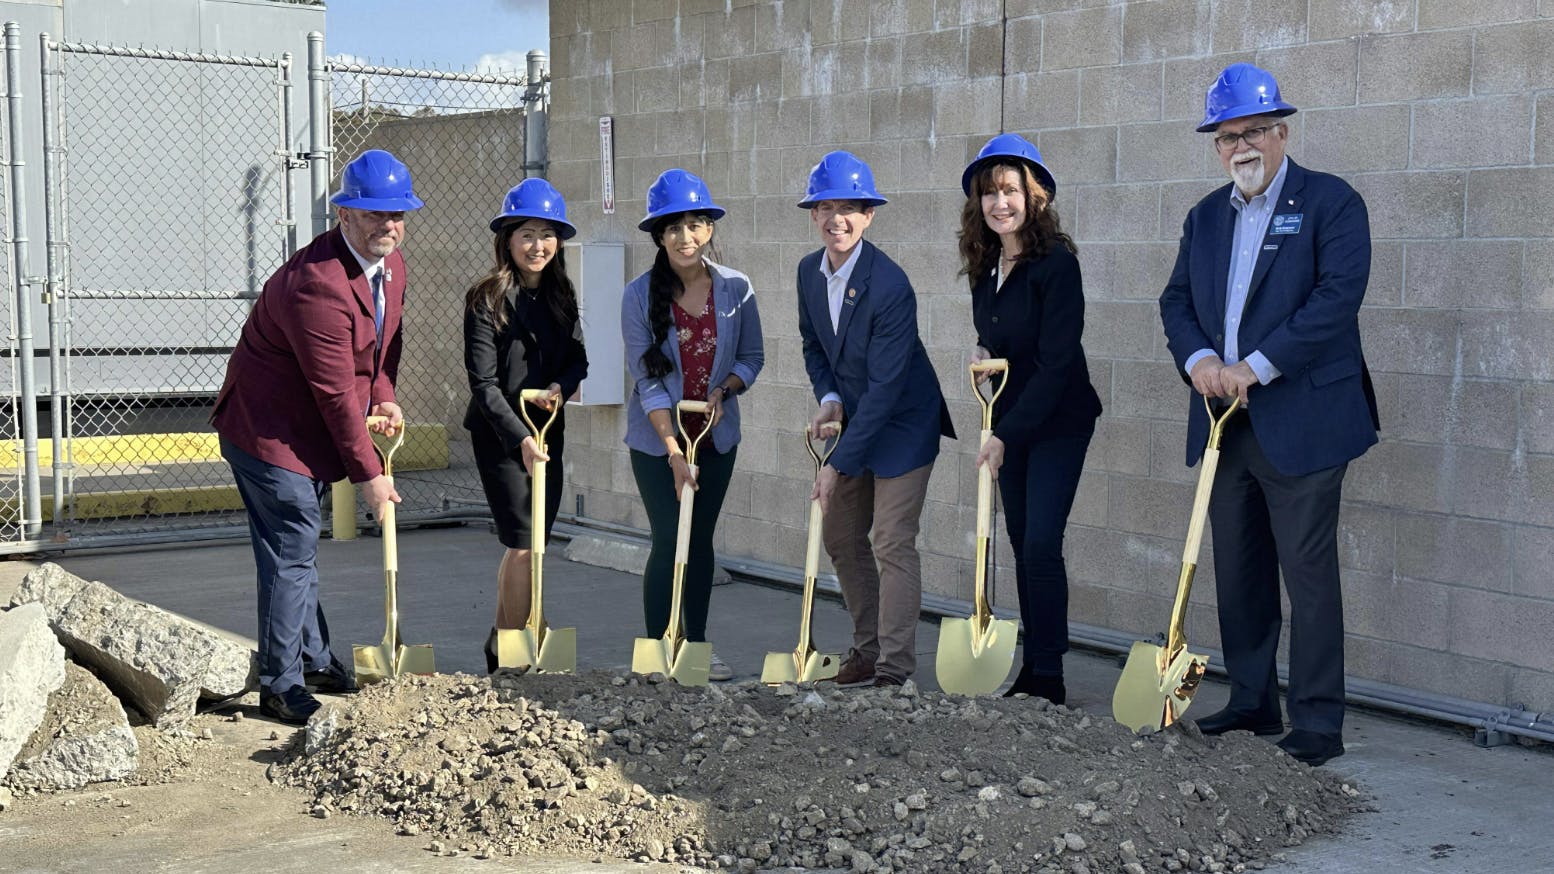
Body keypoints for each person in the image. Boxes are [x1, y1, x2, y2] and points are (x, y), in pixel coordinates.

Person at [1159, 63, 1379, 766]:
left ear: (1281, 132)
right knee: (1241, 567)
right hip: (1225, 420)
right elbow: (1175, 304)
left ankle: (1317, 721)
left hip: (1303, 418)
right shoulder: (1204, 217)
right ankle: (1254, 700)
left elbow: (1335, 300)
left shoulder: (1332, 204)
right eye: (1227, 137)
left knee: (1307, 573)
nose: (1241, 146)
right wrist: (1201, 365)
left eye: (1254, 131)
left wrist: (1252, 367)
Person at [212, 149, 423, 724]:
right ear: (344, 214)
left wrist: (383, 393)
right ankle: (281, 684)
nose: (388, 225)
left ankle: (313, 658)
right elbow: (333, 394)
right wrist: (373, 478)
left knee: (297, 550)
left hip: (309, 426)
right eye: (374, 214)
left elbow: (384, 347)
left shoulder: (392, 266)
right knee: (291, 547)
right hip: (269, 431)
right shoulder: (318, 285)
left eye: (397, 214)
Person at [795, 150, 954, 688]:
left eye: (849, 208)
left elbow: (887, 390)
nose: (836, 218)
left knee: (889, 538)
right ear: (813, 214)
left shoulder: (889, 285)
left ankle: (893, 668)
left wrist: (835, 467)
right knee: (840, 534)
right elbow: (814, 345)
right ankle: (864, 651)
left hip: (904, 423)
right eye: (825, 207)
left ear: (869, 216)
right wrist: (831, 395)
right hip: (858, 418)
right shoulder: (807, 274)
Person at [958, 134, 1102, 704]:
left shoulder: (1057, 266)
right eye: (990, 193)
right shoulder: (986, 265)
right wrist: (982, 353)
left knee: (1042, 540)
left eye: (1010, 190)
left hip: (1058, 421)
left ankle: (1050, 673)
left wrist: (1003, 436)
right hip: (1012, 420)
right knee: (1021, 542)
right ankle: (1033, 667)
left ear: (1033, 195)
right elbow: (1002, 338)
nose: (1000, 203)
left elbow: (1056, 360)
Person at [622, 169, 763, 682]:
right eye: (674, 227)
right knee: (667, 537)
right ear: (659, 235)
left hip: (717, 437)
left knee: (699, 539)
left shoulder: (736, 289)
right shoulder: (638, 296)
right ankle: (660, 649)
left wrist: (725, 391)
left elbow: (752, 357)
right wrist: (674, 447)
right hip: (658, 442)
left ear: (710, 231)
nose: (686, 237)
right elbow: (647, 380)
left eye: (697, 224)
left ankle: (697, 648)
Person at [463, 178, 589, 673]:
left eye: (548, 235)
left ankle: (503, 642)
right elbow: (484, 384)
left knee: (535, 542)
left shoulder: (562, 293)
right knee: (522, 541)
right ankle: (518, 644)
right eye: (527, 235)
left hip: (548, 430)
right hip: (500, 435)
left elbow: (578, 360)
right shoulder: (485, 298)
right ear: (508, 240)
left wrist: (560, 384)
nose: (538, 246)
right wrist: (519, 439)